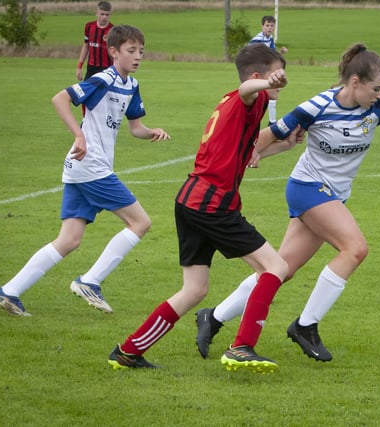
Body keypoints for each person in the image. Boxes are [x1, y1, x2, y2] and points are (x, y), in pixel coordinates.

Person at [194, 43, 380, 363]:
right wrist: (251, 153)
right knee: (355, 249)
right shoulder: (318, 106)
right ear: (355, 82)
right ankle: (305, 325)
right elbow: (270, 133)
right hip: (308, 188)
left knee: (281, 269)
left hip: (332, 196)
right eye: (376, 88)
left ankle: (213, 317)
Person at [107, 43, 300, 373]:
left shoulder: (235, 105)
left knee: (194, 289)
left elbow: (249, 153)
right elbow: (246, 88)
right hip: (213, 205)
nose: (281, 84)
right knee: (275, 268)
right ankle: (242, 346)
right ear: (258, 77)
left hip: (191, 200)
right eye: (276, 76)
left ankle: (128, 351)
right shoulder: (246, 97)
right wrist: (267, 83)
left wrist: (283, 147)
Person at [0, 25, 171, 317]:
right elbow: (60, 98)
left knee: (69, 240)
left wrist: (153, 132)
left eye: (141, 51)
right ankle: (90, 281)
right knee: (140, 222)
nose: (138, 56)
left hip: (83, 166)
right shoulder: (102, 80)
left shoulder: (131, 85)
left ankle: (8, 292)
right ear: (113, 52)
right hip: (91, 165)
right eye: (131, 50)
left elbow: (135, 128)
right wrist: (79, 134)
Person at [248, 15, 288, 125]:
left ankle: (270, 121)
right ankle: (269, 122)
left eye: (272, 26)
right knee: (266, 95)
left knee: (270, 95)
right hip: (258, 72)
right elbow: (247, 53)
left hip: (266, 71)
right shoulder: (258, 40)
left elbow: (272, 57)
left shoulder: (269, 39)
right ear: (262, 26)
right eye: (267, 25)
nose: (269, 28)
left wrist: (281, 53)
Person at [76, 1, 114, 82]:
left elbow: (116, 52)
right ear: (96, 13)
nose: (104, 17)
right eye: (102, 14)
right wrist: (79, 67)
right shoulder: (89, 27)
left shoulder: (113, 30)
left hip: (107, 69)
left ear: (110, 15)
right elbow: (86, 46)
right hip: (91, 68)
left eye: (107, 15)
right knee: (86, 93)